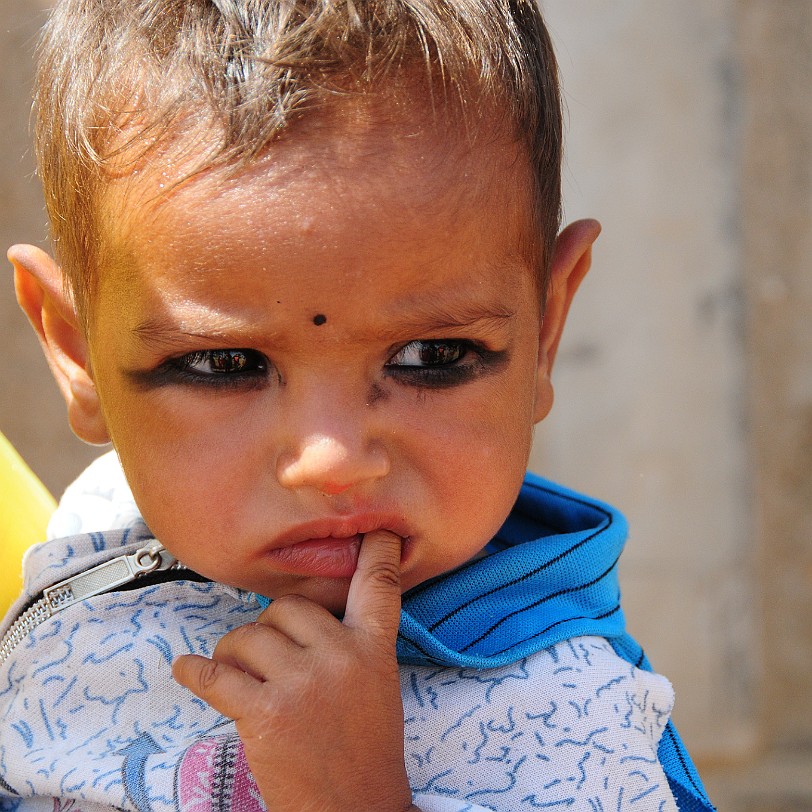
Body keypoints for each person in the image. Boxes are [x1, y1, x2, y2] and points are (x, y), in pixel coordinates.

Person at [0, 2, 715, 810]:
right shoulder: (99, 521)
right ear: (77, 351)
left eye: (431, 357)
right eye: (223, 364)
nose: (333, 458)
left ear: (544, 330)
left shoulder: (575, 728)